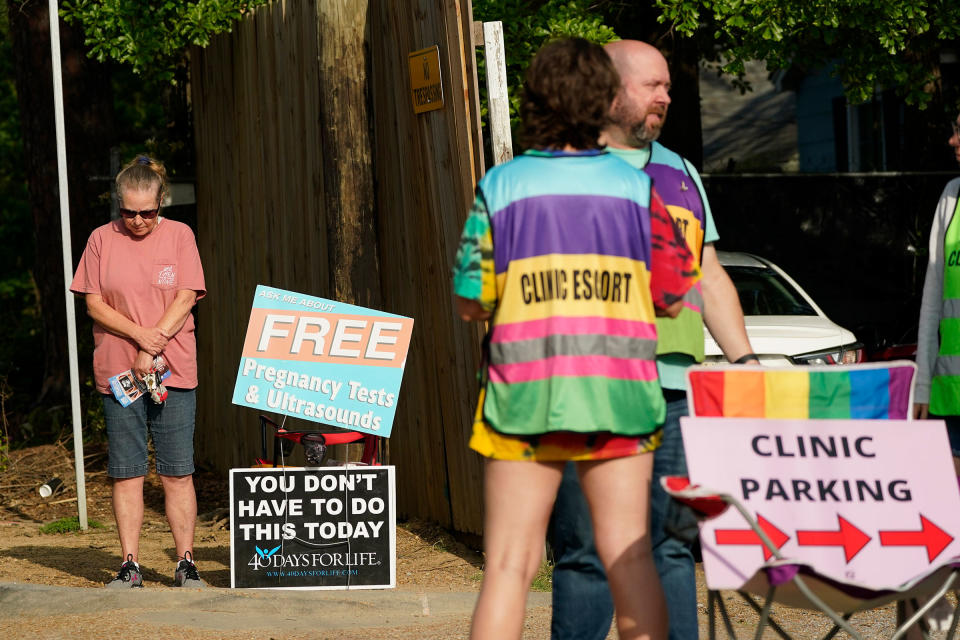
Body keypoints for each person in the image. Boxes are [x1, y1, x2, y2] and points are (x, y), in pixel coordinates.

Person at [453, 37, 700, 640]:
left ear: (538, 98)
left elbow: (470, 300)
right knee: (630, 556)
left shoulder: (500, 187)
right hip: (618, 398)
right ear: (604, 100)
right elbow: (674, 293)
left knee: (510, 566)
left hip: (522, 401)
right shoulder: (642, 190)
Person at [549, 40, 758, 640]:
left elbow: (709, 274)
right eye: (653, 86)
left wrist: (743, 359)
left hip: (676, 393)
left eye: (668, 85)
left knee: (670, 548)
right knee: (588, 553)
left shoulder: (682, 172)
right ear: (609, 92)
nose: (666, 97)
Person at [70, 155, 207, 588]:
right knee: (126, 471)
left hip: (174, 369)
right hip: (118, 373)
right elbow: (93, 303)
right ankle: (129, 565)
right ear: (118, 205)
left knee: (177, 470)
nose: (137, 220)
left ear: (161, 202)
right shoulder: (99, 239)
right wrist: (140, 338)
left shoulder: (181, 236)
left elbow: (186, 295)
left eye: (147, 212)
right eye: (128, 212)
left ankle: (185, 563)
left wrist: (155, 343)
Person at [915, 113, 960, 475]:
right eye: (954, 129)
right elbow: (933, 302)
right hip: (953, 400)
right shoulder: (951, 196)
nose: (952, 141)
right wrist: (922, 386)